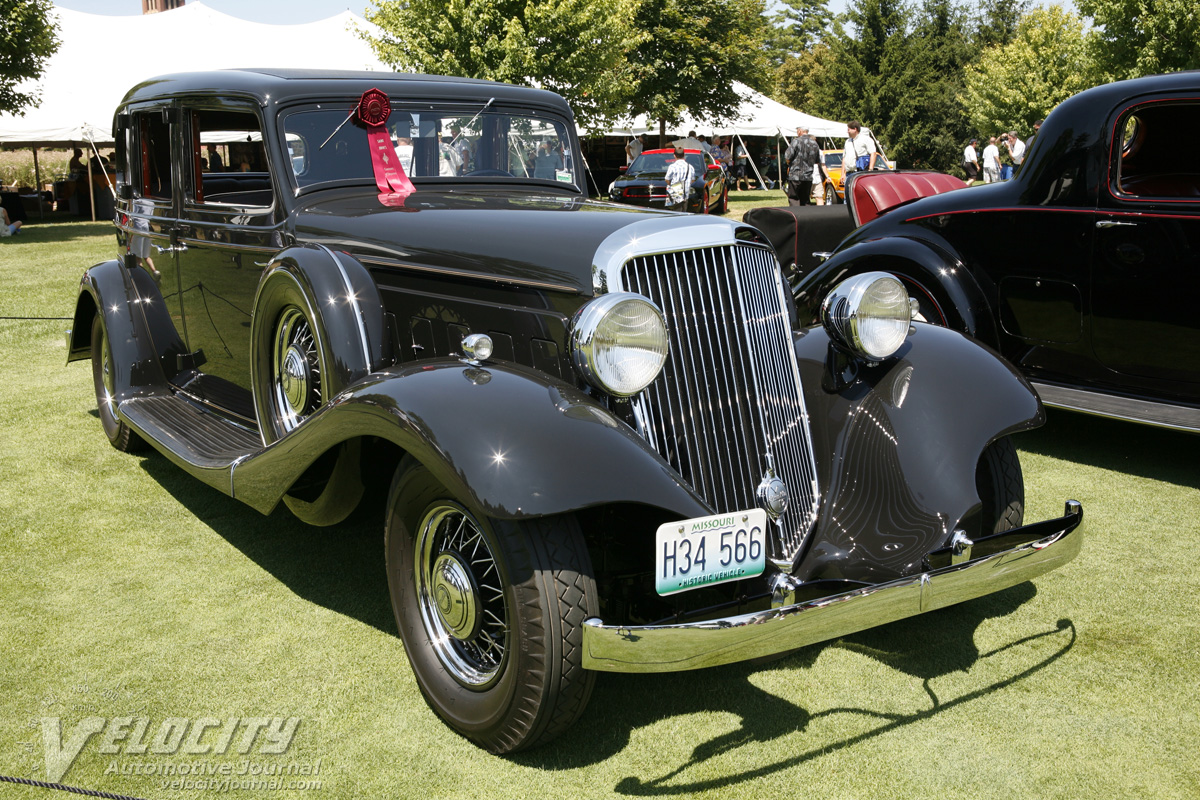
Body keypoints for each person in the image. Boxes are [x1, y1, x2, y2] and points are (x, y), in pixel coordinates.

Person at [783, 125, 821, 207]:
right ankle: (806, 217)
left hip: (795, 175)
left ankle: (796, 216)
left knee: (794, 198)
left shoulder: (796, 141)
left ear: (800, 131)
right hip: (808, 176)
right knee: (805, 199)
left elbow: (787, 156)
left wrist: (789, 163)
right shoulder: (814, 143)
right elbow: (817, 160)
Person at [664, 146, 695, 212]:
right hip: (685, 194)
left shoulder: (672, 166)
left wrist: (673, 185)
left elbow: (667, 179)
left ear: (674, 155)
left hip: (675, 193)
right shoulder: (690, 167)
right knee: (684, 212)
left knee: (676, 213)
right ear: (684, 155)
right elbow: (693, 180)